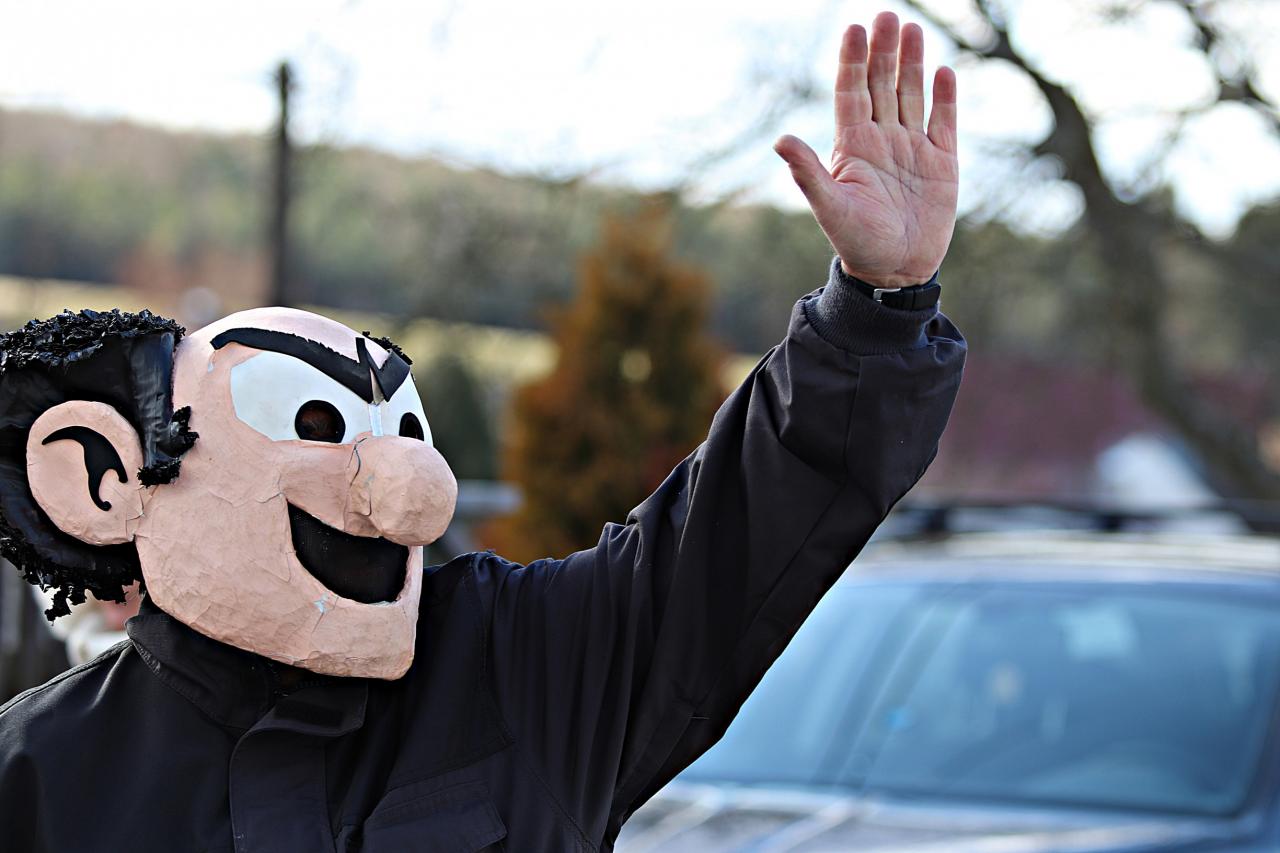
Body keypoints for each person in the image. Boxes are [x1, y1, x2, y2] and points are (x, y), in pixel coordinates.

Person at [0, 12, 964, 851]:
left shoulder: (522, 664)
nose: (411, 491)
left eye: (401, 429)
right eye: (317, 426)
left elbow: (735, 534)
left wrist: (877, 310)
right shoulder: (37, 771)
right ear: (107, 478)